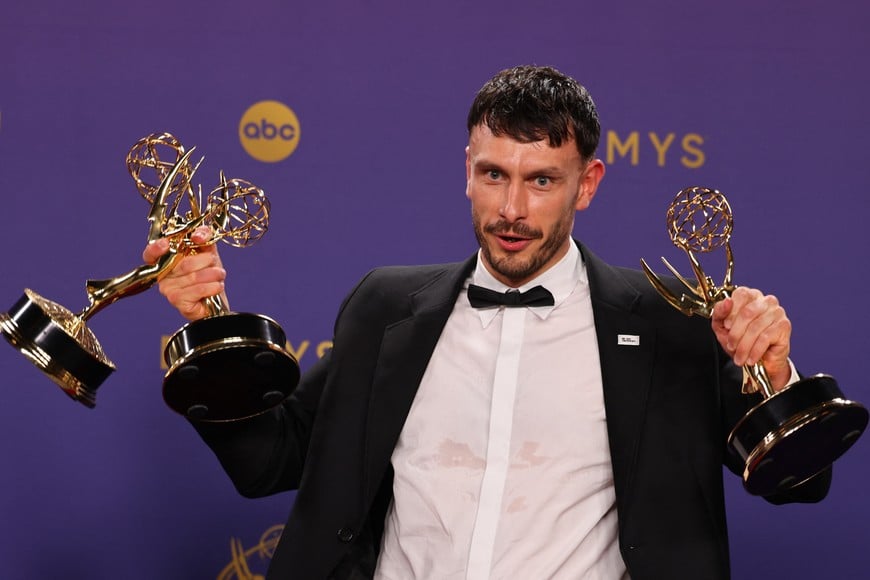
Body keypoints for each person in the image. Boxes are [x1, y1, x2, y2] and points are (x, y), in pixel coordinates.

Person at [143, 65, 830, 579]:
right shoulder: (386, 307)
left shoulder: (671, 321)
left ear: (586, 185)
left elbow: (797, 481)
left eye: (541, 180)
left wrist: (774, 376)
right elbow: (272, 461)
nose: (512, 210)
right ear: (466, 172)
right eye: (494, 174)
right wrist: (208, 321)